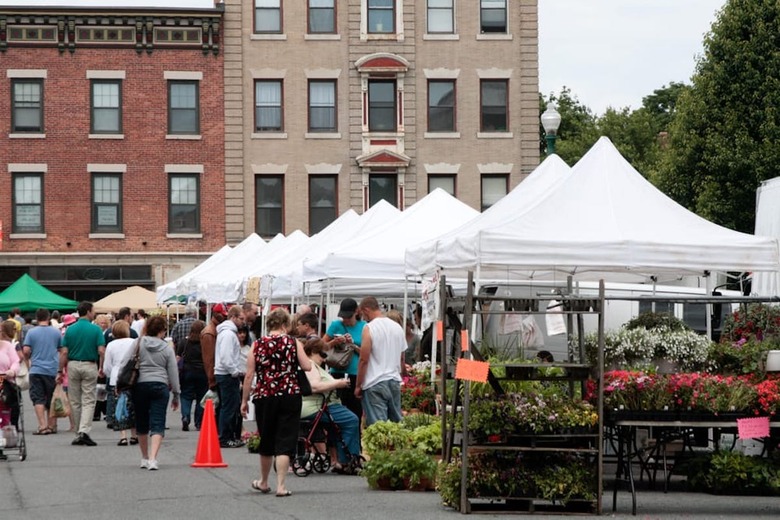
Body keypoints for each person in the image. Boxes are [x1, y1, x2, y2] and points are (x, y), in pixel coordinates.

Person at [241, 307, 311, 497]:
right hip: (289, 394)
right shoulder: (293, 342)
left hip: (265, 395)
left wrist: (244, 401)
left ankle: (263, 482)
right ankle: (281, 486)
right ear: (284, 324)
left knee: (267, 439)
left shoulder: (258, 344)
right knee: (285, 439)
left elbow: (249, 375)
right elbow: (307, 366)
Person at [301, 338, 360, 473]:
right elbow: (314, 387)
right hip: (318, 406)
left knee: (335, 426)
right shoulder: (310, 366)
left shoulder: (309, 366)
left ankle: (339, 460)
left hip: (316, 406)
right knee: (352, 420)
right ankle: (348, 460)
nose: (324, 359)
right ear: (313, 352)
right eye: (323, 355)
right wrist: (337, 383)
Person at [129, 315, 180, 470]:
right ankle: (153, 458)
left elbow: (127, 361)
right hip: (160, 384)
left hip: (140, 384)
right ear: (162, 330)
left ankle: (144, 457)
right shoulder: (166, 348)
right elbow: (173, 371)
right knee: (158, 421)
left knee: (141, 421)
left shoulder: (138, 342)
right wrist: (176, 393)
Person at [58, 301, 106, 447]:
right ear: (88, 311)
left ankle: (78, 431)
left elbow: (64, 351)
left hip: (73, 364)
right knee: (89, 399)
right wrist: (101, 366)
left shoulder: (70, 330)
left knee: (74, 400)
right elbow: (101, 350)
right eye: (93, 311)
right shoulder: (95, 329)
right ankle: (84, 431)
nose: (94, 313)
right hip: (89, 364)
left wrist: (60, 370)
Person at [354, 297, 406, 426]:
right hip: (394, 380)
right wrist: (403, 376)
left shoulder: (369, 328)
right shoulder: (397, 327)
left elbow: (363, 359)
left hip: (374, 382)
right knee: (396, 426)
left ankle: (382, 447)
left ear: (366, 309)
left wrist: (358, 385)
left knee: (379, 429)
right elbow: (401, 358)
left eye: (362, 314)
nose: (363, 318)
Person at [322, 298, 366, 424]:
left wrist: (353, 345)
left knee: (355, 409)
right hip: (337, 371)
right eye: (343, 317)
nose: (345, 320)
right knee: (336, 407)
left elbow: (366, 353)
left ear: (356, 312)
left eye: (348, 317)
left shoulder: (364, 327)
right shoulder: (336, 325)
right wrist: (334, 342)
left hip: (355, 374)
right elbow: (321, 346)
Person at [22, 308, 61, 435]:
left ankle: (42, 425)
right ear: (48, 317)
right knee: (51, 397)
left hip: (36, 368)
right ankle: (51, 425)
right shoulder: (56, 332)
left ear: (37, 318)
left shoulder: (31, 332)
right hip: (52, 369)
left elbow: (26, 351)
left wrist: (29, 360)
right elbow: (62, 349)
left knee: (38, 398)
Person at [215, 306, 245, 447]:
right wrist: (234, 371)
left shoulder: (226, 333)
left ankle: (226, 436)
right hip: (227, 374)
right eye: (241, 318)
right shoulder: (228, 334)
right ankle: (225, 438)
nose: (242, 322)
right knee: (229, 407)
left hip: (224, 373)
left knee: (227, 406)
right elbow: (226, 356)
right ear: (233, 317)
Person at [103, 320, 138, 446]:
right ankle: (134, 435)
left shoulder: (111, 345)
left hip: (116, 377)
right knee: (133, 406)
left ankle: (123, 436)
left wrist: (110, 374)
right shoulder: (134, 342)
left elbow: (107, 366)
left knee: (120, 406)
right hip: (132, 377)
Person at [176, 320, 207, 431]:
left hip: (187, 372)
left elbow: (178, 357)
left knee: (185, 396)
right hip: (202, 372)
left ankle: (185, 416)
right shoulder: (204, 342)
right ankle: (198, 422)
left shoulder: (184, 342)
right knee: (201, 397)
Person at [0, 320, 21, 461]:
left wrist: (12, 371)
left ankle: (3, 442)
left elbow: (16, 362)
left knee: (5, 413)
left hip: (5, 383)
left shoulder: (7, 346)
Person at [201, 303, 228, 392]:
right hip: (213, 378)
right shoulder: (210, 332)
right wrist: (212, 380)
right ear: (215, 313)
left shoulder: (215, 330)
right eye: (222, 314)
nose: (224, 317)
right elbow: (209, 359)